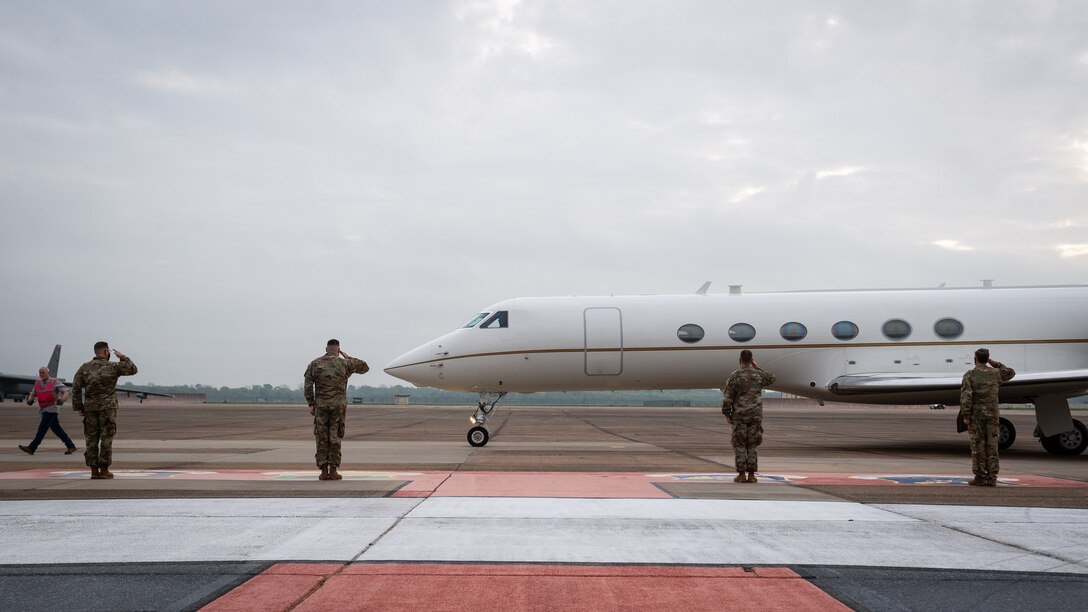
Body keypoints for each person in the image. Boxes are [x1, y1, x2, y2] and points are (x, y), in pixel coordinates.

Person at [70, 341, 138, 480]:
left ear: (95, 352)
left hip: (90, 408)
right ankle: (105, 469)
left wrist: (79, 407)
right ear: (106, 352)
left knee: (91, 439)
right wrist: (122, 356)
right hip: (107, 408)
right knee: (106, 438)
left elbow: (76, 388)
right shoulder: (112, 366)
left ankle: (94, 470)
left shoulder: (85, 368)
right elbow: (133, 369)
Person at [304, 339, 369, 480]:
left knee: (322, 437)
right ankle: (333, 470)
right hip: (338, 407)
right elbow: (364, 367)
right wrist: (347, 357)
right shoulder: (345, 363)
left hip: (321, 405)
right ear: (338, 350)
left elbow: (308, 385)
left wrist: (311, 404)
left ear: (326, 349)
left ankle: (323, 471)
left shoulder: (315, 363)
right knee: (335, 437)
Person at [959, 348, 1015, 486]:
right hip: (992, 415)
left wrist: (966, 415)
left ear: (975, 359)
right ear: (987, 359)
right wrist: (996, 364)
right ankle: (992, 477)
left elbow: (967, 396)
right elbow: (1010, 372)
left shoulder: (970, 375)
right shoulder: (995, 373)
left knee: (978, 446)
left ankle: (980, 477)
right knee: (992, 445)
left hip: (976, 417)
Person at [721, 350, 776, 483]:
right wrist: (757, 368)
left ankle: (741, 475)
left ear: (740, 360)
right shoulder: (759, 376)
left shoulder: (735, 376)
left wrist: (727, 414)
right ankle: (751, 475)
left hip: (739, 416)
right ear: (752, 360)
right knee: (752, 445)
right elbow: (772, 379)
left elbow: (728, 398)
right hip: (755, 416)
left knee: (739, 445)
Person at [19, 367, 79, 456]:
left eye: (43, 372)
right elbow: (33, 393)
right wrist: (29, 400)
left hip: (52, 408)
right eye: (40, 372)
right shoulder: (38, 383)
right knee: (57, 429)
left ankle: (32, 448)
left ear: (48, 373)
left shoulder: (55, 382)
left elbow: (65, 391)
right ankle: (71, 446)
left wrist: (62, 399)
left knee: (42, 428)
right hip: (43, 408)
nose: (41, 374)